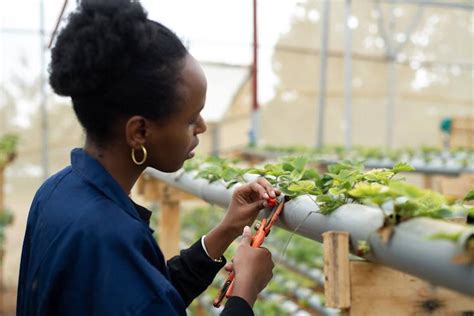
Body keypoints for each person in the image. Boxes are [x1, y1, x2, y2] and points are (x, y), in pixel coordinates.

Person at [17, 0, 277, 315]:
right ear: (139, 131)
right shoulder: (111, 239)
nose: (202, 127)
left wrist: (225, 231)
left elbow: (147, 299)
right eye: (191, 118)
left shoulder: (57, 191)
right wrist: (244, 294)